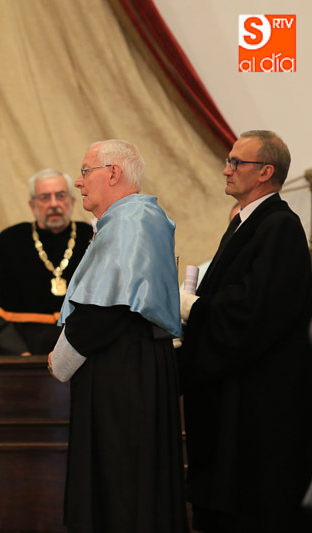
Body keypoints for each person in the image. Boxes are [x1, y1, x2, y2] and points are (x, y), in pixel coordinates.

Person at [48, 139, 188, 532]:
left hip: (122, 373)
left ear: (113, 173)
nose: (78, 182)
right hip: (133, 366)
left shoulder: (130, 221)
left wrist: (61, 359)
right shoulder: (136, 218)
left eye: (85, 171)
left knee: (120, 485)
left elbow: (104, 309)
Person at [178, 130, 312, 532]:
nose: (227, 169)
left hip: (259, 403)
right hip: (234, 396)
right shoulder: (244, 223)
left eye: (236, 162)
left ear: (265, 172)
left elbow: (255, 311)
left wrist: (192, 307)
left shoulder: (280, 226)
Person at [0, 169, 93, 355]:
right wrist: (21, 357)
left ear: (72, 201)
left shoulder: (90, 237)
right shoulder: (10, 240)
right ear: (32, 205)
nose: (54, 204)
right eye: (45, 197)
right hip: (22, 355)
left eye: (60, 196)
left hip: (81, 351)